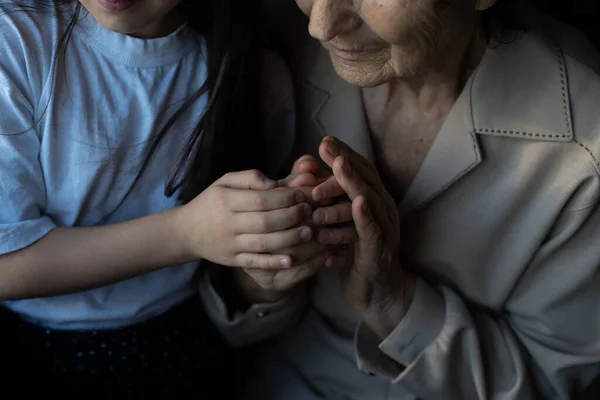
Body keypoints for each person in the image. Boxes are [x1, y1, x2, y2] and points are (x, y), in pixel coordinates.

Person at [201, 0, 600, 399]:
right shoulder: (270, 40)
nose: (320, 26)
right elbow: (222, 322)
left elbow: (548, 385)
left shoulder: (585, 150)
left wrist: (393, 301)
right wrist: (263, 275)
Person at [0, 0, 317, 397]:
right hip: (28, 348)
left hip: (181, 344)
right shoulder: (17, 38)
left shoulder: (252, 76)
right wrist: (185, 233)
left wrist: (278, 221)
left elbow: (243, 277)